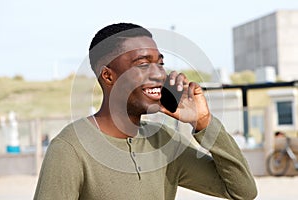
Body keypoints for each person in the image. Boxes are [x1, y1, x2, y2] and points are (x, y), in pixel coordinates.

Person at [34, 23, 257, 200]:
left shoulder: (163, 141)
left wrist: (203, 123)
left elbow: (242, 191)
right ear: (108, 76)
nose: (160, 74)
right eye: (142, 64)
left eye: (160, 63)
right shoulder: (70, 147)